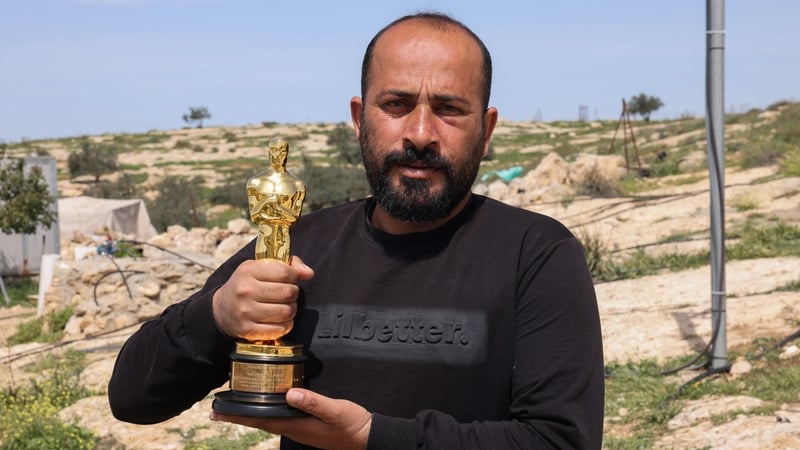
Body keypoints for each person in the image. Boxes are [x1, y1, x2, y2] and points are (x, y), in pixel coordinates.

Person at [108, 12, 605, 450]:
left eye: (450, 109)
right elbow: (132, 398)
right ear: (358, 118)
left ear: (487, 128)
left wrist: (371, 438)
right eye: (396, 104)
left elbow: (560, 440)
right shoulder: (297, 248)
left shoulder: (536, 255)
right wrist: (215, 315)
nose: (420, 133)